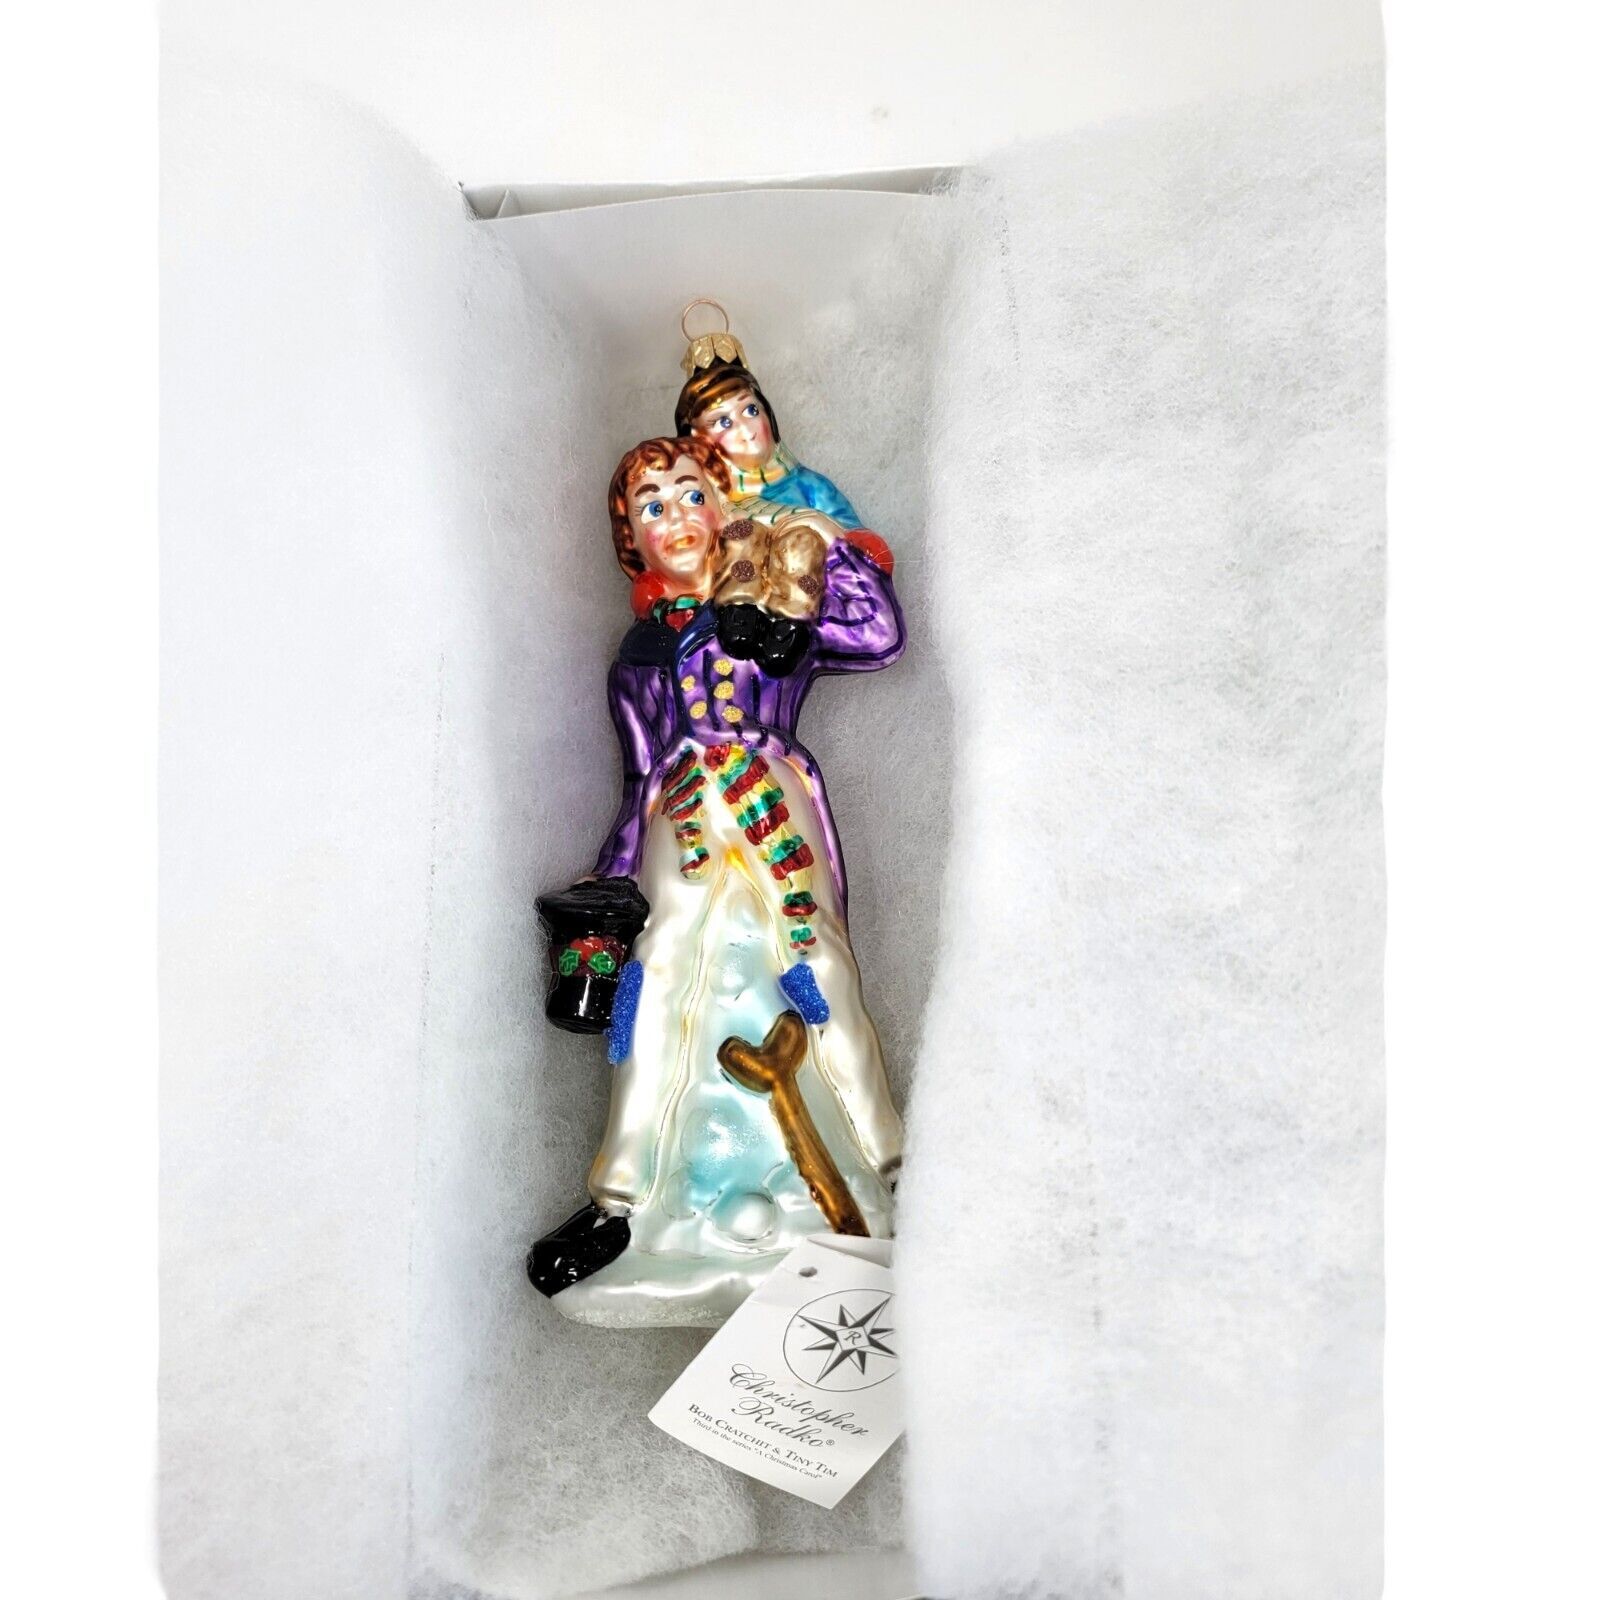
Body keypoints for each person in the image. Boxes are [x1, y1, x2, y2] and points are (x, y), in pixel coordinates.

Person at [527, 432, 905, 1327]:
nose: (677, 517)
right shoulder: (638, 653)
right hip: (680, 806)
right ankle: (620, 1198)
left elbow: (877, 635)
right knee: (656, 979)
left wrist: (824, 535)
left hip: (770, 791)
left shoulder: (774, 595)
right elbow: (637, 772)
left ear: (724, 503)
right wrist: (613, 877)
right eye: (651, 506)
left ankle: (887, 1160)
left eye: (692, 493)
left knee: (817, 960)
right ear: (632, 540)